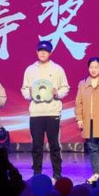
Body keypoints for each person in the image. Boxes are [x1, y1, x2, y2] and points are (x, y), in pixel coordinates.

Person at [21, 40, 69, 182]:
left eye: (46, 51)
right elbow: (24, 89)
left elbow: (65, 87)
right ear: (37, 52)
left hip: (53, 112)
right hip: (36, 113)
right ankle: (37, 173)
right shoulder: (30, 70)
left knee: (54, 145)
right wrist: (29, 94)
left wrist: (57, 93)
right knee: (36, 145)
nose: (43, 53)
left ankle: (57, 173)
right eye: (40, 50)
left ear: (50, 53)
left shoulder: (57, 69)